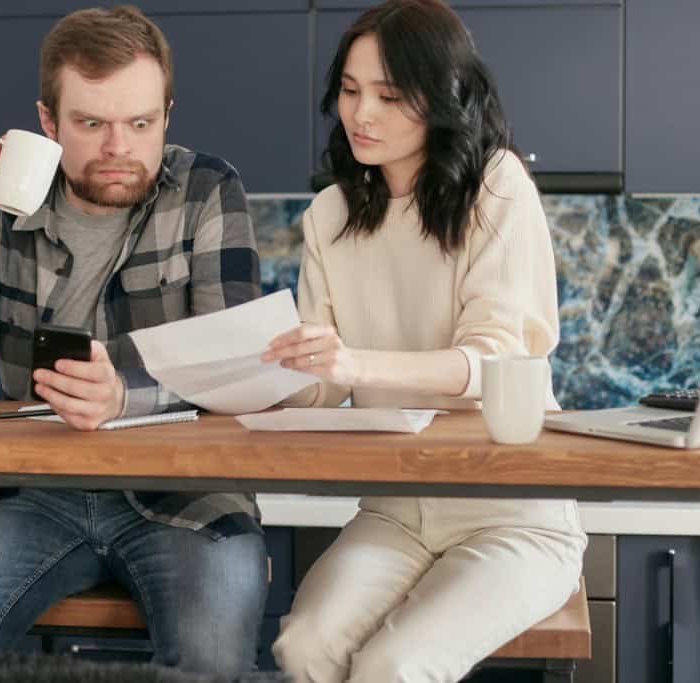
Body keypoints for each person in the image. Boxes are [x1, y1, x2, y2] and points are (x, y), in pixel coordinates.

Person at [0, 6, 267, 675]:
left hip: (188, 493)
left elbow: (237, 368)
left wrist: (128, 396)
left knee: (212, 660)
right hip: (34, 491)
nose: (119, 146)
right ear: (48, 121)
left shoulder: (208, 191)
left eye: (141, 123)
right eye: (92, 123)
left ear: (167, 115)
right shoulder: (3, 204)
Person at [261, 1, 587, 681]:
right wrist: (273, 366)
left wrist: (353, 359)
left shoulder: (497, 187)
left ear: (443, 98)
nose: (361, 114)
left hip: (512, 514)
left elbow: (495, 358)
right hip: (395, 508)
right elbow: (322, 389)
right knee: (302, 647)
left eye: (388, 95)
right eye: (350, 91)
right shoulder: (330, 215)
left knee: (396, 665)